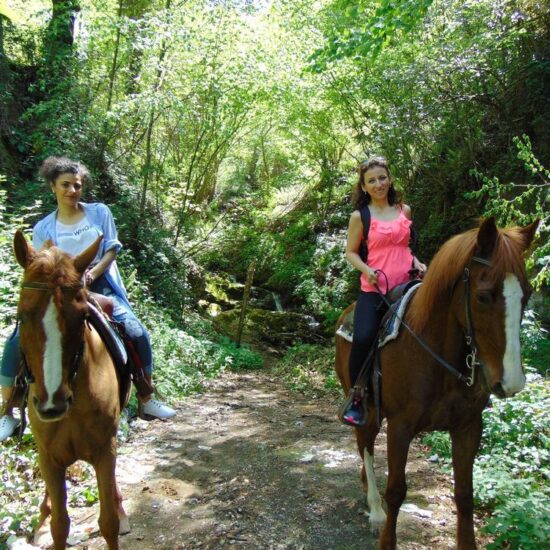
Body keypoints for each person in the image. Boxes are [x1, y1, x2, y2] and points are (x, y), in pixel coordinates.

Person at [0, 156, 175, 441]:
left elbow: (111, 250)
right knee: (17, 340)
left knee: (135, 331)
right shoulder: (44, 227)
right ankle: (7, 410)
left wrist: (91, 274)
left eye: (77, 185)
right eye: (65, 185)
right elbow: (42, 268)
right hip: (62, 294)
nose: (72, 190)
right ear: (52, 188)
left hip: (101, 286)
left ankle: (146, 397)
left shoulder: (99, 212)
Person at [341, 156, 426, 426]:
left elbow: (406, 247)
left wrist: (417, 262)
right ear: (364, 187)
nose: (378, 184)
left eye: (382, 178)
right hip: (376, 289)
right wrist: (366, 270)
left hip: (409, 285)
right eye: (372, 180)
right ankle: (357, 396)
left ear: (390, 179)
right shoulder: (360, 217)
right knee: (364, 336)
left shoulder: (405, 210)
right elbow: (350, 253)